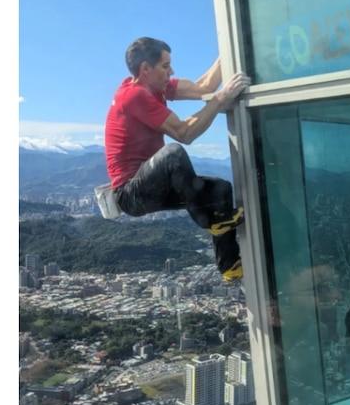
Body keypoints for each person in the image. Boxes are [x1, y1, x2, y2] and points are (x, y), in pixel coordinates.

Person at [104, 37, 250, 281]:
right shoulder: (134, 96)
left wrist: (231, 43)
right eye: (165, 66)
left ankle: (230, 265)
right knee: (173, 154)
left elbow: (203, 86)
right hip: (131, 193)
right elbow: (184, 133)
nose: (171, 71)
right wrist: (219, 100)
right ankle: (210, 220)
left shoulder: (156, 87)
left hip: (156, 184)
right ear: (145, 70)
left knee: (220, 189)